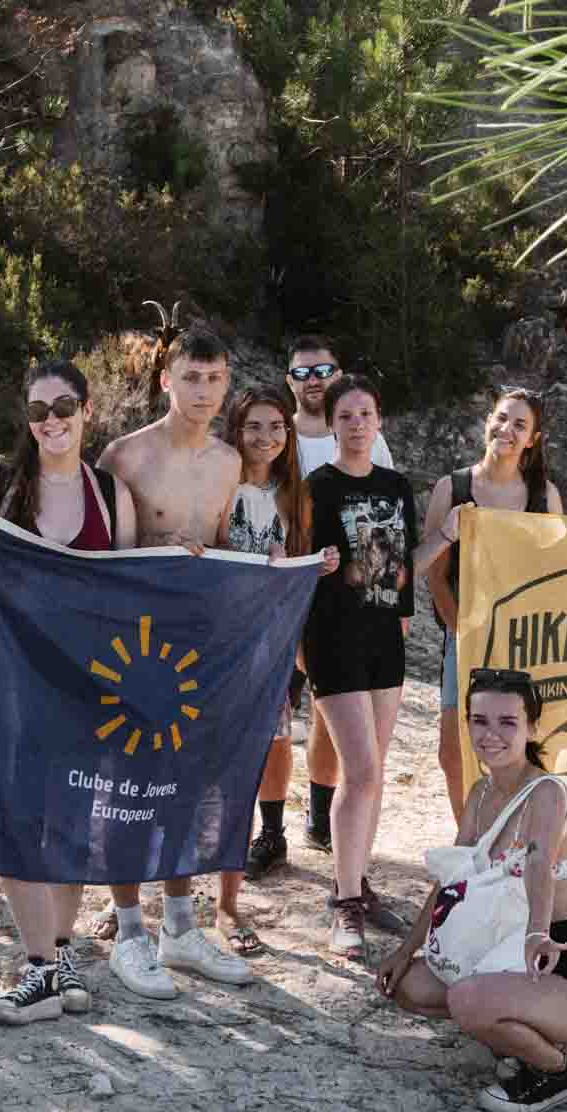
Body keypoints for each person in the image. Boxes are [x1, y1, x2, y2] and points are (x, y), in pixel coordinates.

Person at [0, 360, 137, 1024]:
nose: (52, 420)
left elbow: (130, 588)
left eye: (63, 405)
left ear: (87, 410)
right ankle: (38, 967)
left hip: (85, 684)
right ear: (26, 420)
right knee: (14, 818)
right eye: (38, 411)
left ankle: (60, 955)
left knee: (69, 823)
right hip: (8, 680)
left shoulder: (109, 492)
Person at [89, 325, 256, 997]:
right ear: (165, 379)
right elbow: (100, 560)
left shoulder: (228, 463)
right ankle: (130, 931)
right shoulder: (123, 457)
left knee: (186, 784)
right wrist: (157, 558)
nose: (203, 392)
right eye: (191, 377)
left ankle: (181, 927)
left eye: (215, 380)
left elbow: (223, 552)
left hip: (195, 645)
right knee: (130, 786)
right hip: (131, 647)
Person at [376, 667, 567, 1112]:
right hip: (498, 944)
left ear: (532, 728)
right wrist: (405, 947)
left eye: (507, 722)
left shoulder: (547, 793)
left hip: (562, 955)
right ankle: (518, 1035)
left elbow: (539, 865)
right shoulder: (481, 791)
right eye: (479, 720)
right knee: (408, 985)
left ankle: (555, 1070)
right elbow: (453, 880)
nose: (491, 734)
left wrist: (535, 934)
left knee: (466, 999)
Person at [214, 388, 341, 951]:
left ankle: (231, 898)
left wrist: (317, 566)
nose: (265, 438)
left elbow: (298, 564)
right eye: (252, 426)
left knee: (265, 746)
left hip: (269, 646)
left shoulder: (296, 495)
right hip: (214, 640)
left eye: (276, 427)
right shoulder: (218, 482)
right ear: (234, 429)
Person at [303, 375, 418, 962]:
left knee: (375, 774)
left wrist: (399, 620)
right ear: (332, 425)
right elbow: (300, 569)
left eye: (365, 414)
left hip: (383, 643)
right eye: (344, 415)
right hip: (332, 640)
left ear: (379, 422)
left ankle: (358, 882)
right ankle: (344, 903)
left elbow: (401, 576)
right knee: (363, 772)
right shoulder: (315, 488)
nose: (355, 424)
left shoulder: (397, 486)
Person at [417, 389, 565, 821]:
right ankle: (470, 840)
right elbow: (435, 572)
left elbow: (560, 571)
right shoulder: (454, 487)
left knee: (525, 745)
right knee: (454, 749)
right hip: (463, 634)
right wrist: (458, 630)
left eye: (520, 425)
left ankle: (518, 837)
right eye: (502, 419)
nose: (507, 430)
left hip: (525, 641)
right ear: (488, 421)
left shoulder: (544, 496)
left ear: (533, 439)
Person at [285, 335, 394, 855]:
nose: (313, 380)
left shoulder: (365, 436)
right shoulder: (275, 433)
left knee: (333, 724)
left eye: (322, 370)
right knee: (276, 723)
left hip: (348, 611)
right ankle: (267, 832)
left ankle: (320, 817)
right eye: (303, 372)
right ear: (290, 380)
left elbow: (384, 531)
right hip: (283, 596)